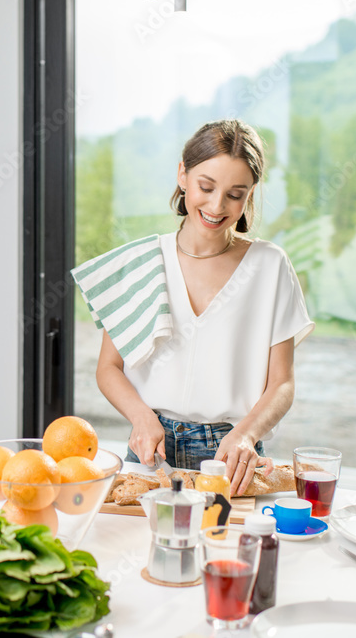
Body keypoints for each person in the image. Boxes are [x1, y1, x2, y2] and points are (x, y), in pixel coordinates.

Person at [94, 119, 313, 496]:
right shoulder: (144, 262)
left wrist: (246, 435)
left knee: (229, 550)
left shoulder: (269, 266)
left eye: (235, 194)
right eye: (206, 186)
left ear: (251, 194)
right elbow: (108, 368)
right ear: (183, 174)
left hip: (232, 457)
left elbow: (282, 383)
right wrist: (141, 417)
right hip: (151, 451)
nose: (216, 206)